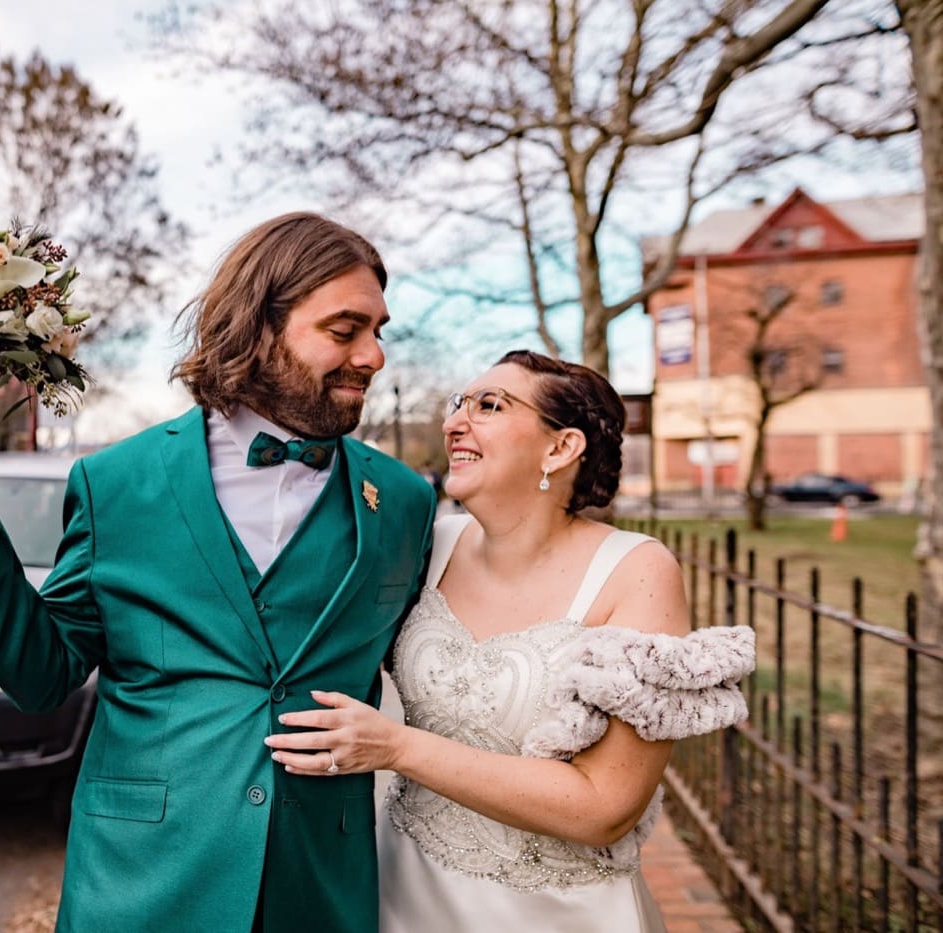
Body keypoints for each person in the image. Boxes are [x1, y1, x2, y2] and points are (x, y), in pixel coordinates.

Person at [0, 212, 436, 933]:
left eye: (379, 331)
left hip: (320, 889)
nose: (374, 356)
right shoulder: (117, 482)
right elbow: (43, 672)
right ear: (260, 327)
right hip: (142, 884)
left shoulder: (402, 502)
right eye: (344, 330)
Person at [264, 350, 754, 932]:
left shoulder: (636, 570)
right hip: (402, 893)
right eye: (458, 404)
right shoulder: (431, 545)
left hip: (554, 913)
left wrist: (397, 748)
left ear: (560, 448)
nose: (453, 423)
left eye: (489, 406)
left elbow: (605, 808)